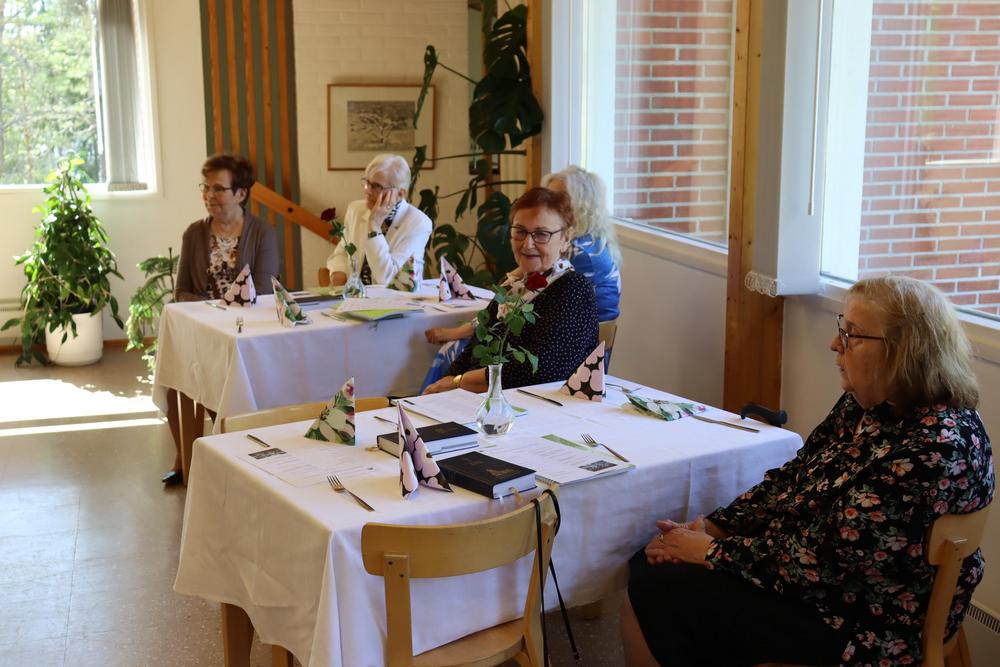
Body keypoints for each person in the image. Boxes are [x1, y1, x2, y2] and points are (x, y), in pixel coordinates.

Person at [622, 276, 994, 667]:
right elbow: (794, 477)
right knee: (655, 563)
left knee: (662, 585)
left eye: (852, 335)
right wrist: (717, 526)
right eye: (841, 328)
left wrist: (711, 551)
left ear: (903, 352)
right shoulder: (868, 405)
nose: (835, 344)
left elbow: (826, 563)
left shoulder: (932, 449)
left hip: (868, 620)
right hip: (822, 583)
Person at [421, 165, 621, 390]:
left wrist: (458, 382)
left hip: (536, 404)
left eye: (542, 234)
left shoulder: (572, 289)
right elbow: (475, 347)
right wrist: (444, 384)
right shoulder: (515, 285)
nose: (528, 244)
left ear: (566, 238)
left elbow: (537, 372)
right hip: (490, 397)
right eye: (520, 231)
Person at [163, 153, 278, 486]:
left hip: (246, 333)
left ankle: (233, 452)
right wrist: (214, 309)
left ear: (240, 193)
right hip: (203, 330)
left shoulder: (263, 233)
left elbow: (264, 291)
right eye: (205, 187)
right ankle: (184, 455)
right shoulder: (194, 234)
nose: (208, 195)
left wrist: (223, 310)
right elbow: (181, 291)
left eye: (217, 189)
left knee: (223, 376)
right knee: (172, 375)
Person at [326, 154, 431, 286]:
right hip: (356, 296)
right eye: (367, 182)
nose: (367, 191)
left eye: (376, 186)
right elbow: (342, 253)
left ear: (400, 194)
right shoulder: (356, 210)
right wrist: (338, 273)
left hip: (395, 297)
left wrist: (374, 226)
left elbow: (390, 279)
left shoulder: (418, 223)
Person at [543, 165, 622, 322]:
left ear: (581, 206)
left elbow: (543, 299)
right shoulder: (592, 239)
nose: (546, 206)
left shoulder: (579, 252)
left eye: (557, 200)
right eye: (547, 197)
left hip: (582, 334)